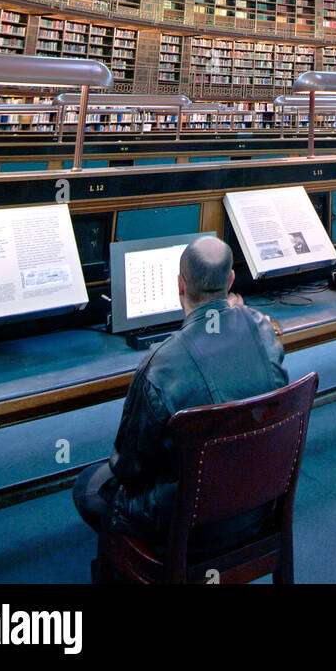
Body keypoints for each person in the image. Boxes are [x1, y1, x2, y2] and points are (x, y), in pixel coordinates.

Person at [73, 236, 287, 552]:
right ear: (230, 280)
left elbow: (128, 467)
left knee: (88, 488)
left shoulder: (159, 364)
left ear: (180, 286)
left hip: (191, 523)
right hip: (258, 502)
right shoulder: (263, 328)